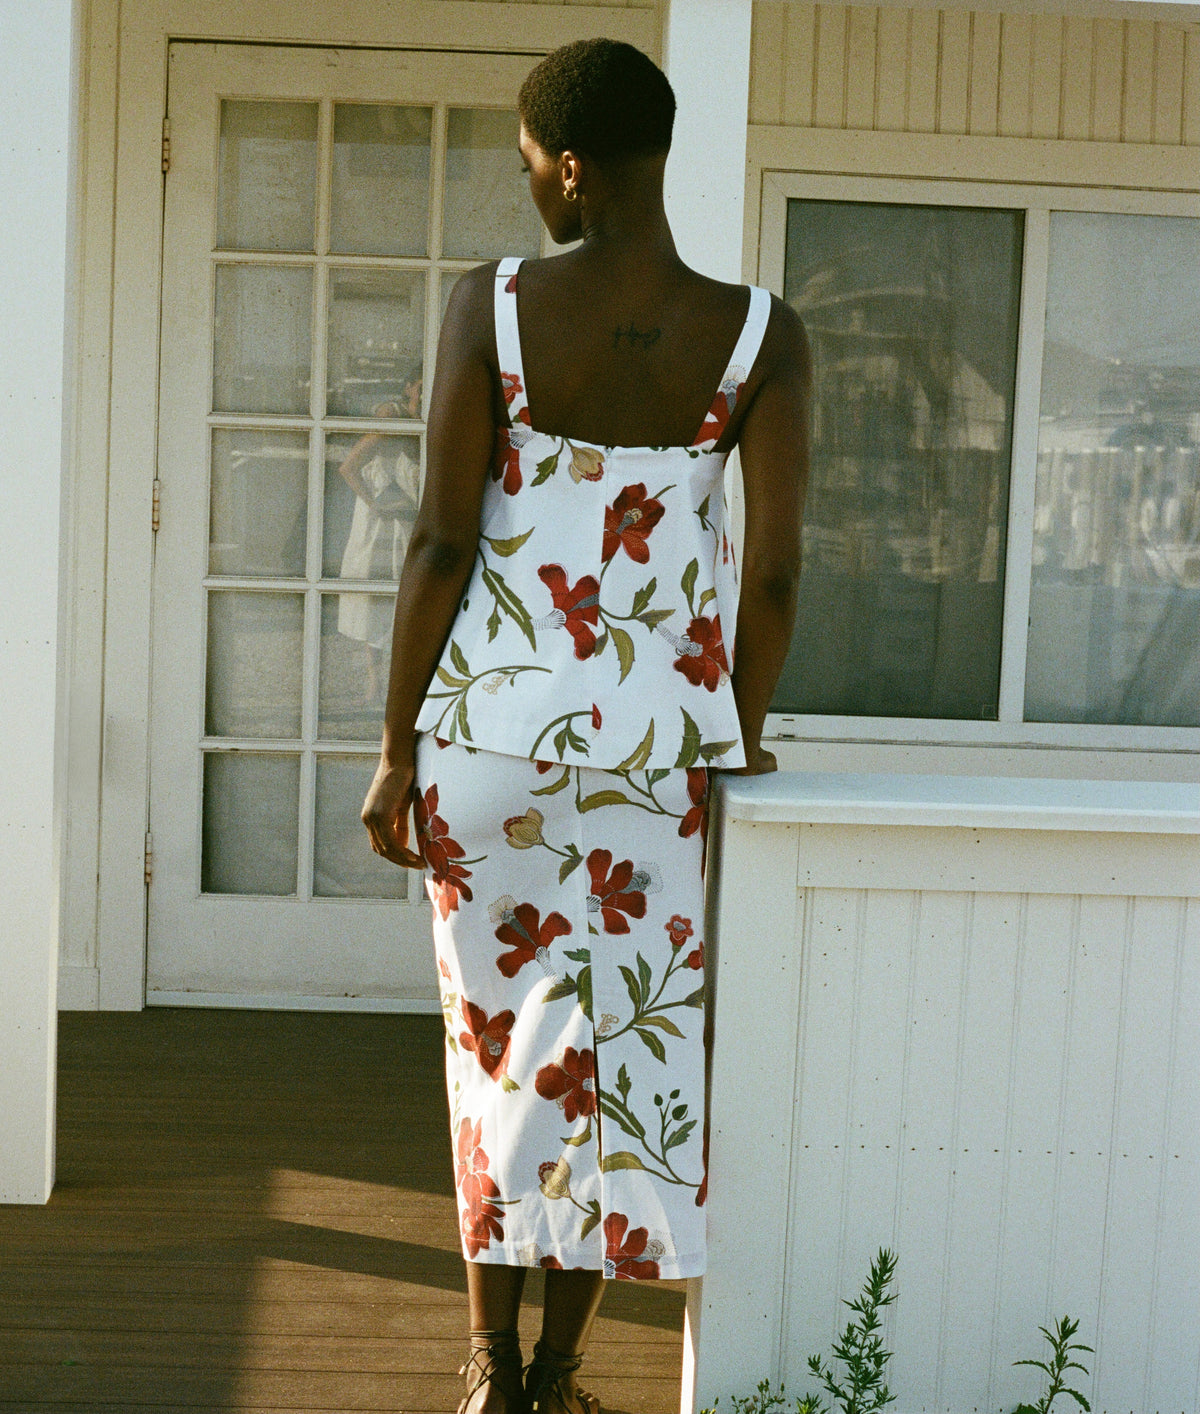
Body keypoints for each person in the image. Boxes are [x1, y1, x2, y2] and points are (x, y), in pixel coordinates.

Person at [361, 38, 810, 1414]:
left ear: (570, 165)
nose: (535, 200)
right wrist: (733, 728)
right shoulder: (757, 334)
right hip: (655, 758)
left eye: (530, 172)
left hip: (488, 744)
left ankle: (488, 1368)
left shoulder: (491, 306)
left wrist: (393, 748)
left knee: (499, 1050)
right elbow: (773, 571)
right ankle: (562, 1375)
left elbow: (441, 538)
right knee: (622, 1054)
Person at [335, 372, 423, 704]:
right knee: (374, 605)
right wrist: (377, 505)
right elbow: (349, 467)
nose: (424, 397)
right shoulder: (392, 418)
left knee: (408, 605)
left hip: (410, 524)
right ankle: (375, 684)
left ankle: (403, 689)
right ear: (407, 387)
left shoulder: (432, 420)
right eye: (419, 389)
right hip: (380, 526)